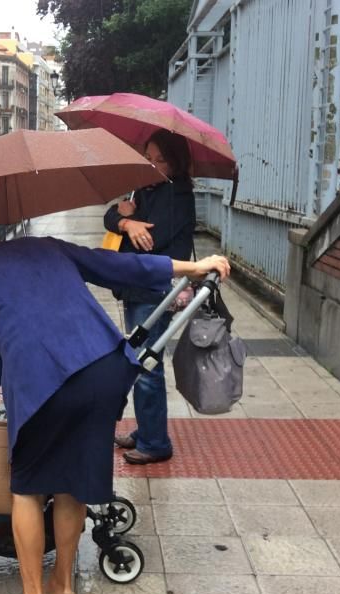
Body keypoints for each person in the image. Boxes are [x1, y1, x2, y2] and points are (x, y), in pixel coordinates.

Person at [0, 232, 229, 594]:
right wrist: (194, 267)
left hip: (44, 387)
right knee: (72, 482)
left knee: (29, 489)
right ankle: (63, 587)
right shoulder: (43, 247)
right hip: (107, 367)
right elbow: (118, 265)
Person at [103, 129, 197, 465]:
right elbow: (109, 217)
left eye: (161, 160)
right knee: (141, 361)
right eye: (148, 157)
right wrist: (124, 219)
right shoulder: (145, 189)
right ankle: (145, 432)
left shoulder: (178, 195)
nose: (152, 165)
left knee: (146, 366)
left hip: (155, 291)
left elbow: (148, 242)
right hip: (137, 287)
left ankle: (156, 442)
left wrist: (125, 222)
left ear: (175, 163)